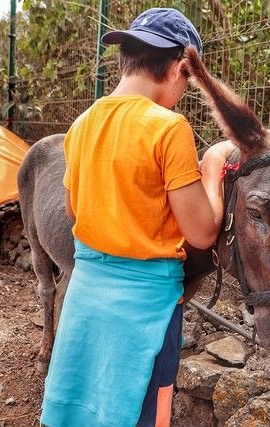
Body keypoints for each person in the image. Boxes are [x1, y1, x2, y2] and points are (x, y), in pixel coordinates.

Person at [40, 8, 235, 427]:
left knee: (79, 406)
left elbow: (76, 210)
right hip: (144, 310)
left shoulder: (82, 124)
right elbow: (201, 233)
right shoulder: (168, 128)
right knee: (139, 410)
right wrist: (213, 167)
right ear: (182, 67)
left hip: (85, 299)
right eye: (188, 81)